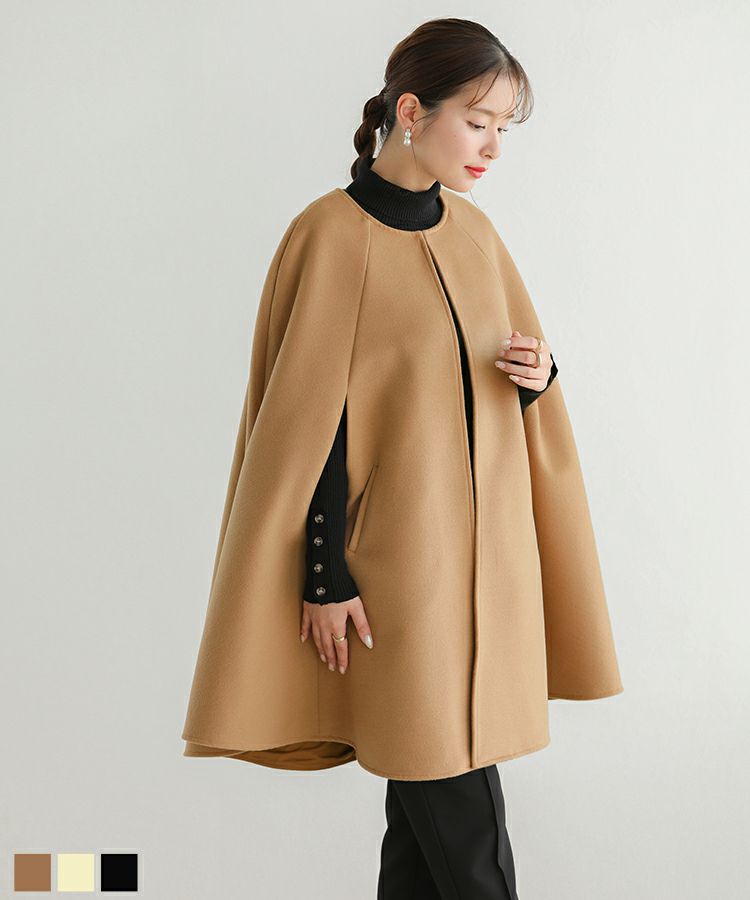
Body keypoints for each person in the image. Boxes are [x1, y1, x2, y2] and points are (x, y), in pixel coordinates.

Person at [181, 17, 624, 899]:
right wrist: (324, 576)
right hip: (394, 584)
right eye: (478, 121)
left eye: (504, 127)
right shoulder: (328, 235)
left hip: (482, 576)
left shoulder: (474, 236)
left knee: (422, 841)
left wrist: (537, 378)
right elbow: (305, 428)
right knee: (466, 826)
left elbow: (485, 391)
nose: (492, 147)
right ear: (413, 112)